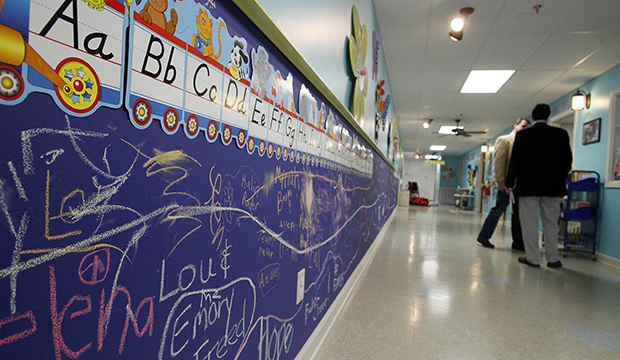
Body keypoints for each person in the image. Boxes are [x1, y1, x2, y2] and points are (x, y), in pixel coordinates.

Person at [505, 104, 573, 268]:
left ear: (533, 117)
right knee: (551, 223)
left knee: (529, 222)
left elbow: (515, 161)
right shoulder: (561, 134)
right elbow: (567, 161)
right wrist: (559, 178)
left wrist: (509, 183)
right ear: (548, 116)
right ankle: (552, 258)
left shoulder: (523, 136)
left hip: (528, 186)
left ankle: (533, 258)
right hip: (552, 187)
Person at [476, 118, 530, 249]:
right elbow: (499, 162)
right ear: (515, 125)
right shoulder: (505, 140)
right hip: (506, 184)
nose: (525, 129)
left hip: (520, 185)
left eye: (528, 127)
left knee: (518, 214)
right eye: (523, 126)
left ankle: (518, 242)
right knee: (498, 210)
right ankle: (484, 237)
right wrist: (500, 181)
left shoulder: (526, 143)